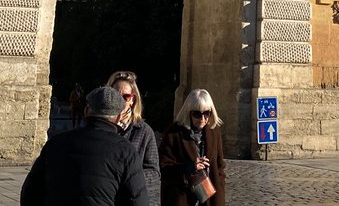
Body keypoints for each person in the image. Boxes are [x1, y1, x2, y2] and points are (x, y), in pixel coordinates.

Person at [21, 86, 150, 206]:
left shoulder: (55, 144)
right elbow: (137, 200)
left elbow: (30, 193)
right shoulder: (126, 151)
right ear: (118, 117)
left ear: (86, 111)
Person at [159, 89, 227, 206]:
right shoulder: (173, 133)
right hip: (182, 197)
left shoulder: (214, 131)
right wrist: (189, 168)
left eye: (206, 113)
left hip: (209, 197)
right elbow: (164, 168)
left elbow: (219, 164)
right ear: (189, 112)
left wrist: (220, 187)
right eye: (197, 114)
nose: (202, 118)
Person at [107, 70, 160, 203]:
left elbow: (154, 173)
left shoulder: (144, 132)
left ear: (132, 99)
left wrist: (128, 176)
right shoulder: (100, 128)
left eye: (125, 97)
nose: (120, 101)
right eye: (115, 95)